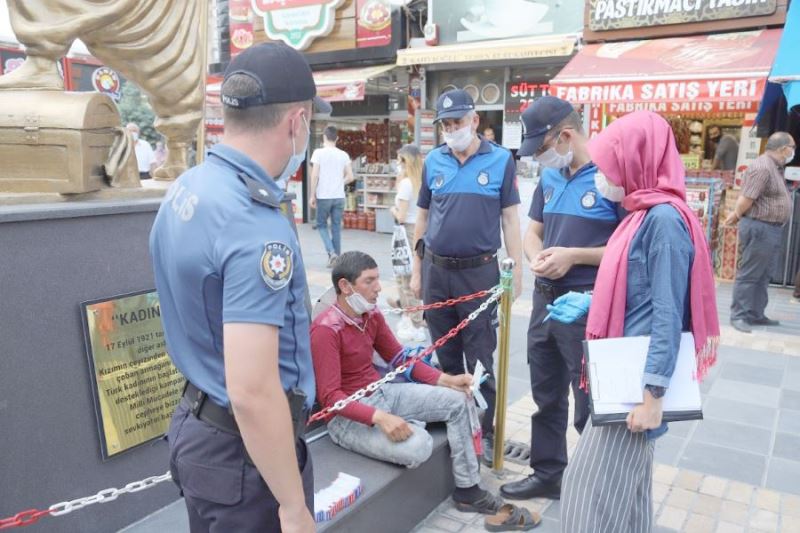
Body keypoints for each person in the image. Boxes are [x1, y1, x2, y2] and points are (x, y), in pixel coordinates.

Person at [149, 43, 332, 532]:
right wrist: (293, 506)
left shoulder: (188, 188)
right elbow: (252, 389)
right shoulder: (254, 225)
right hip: (247, 455)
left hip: (199, 426)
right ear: (296, 122)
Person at [560, 110, 720, 533]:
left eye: (610, 164)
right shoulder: (640, 214)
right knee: (625, 499)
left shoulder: (664, 221)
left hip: (635, 388)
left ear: (638, 160)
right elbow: (640, 291)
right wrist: (591, 300)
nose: (602, 174)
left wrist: (652, 396)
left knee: (586, 497)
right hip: (623, 376)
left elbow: (668, 313)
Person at [311, 251, 517, 519]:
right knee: (420, 446)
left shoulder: (370, 315)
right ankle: (409, 424)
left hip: (385, 394)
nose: (379, 287)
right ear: (345, 286)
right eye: (369, 281)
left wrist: (446, 380)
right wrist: (381, 418)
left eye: (377, 279)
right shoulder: (326, 329)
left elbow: (399, 358)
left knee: (461, 399)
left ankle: (468, 490)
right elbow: (330, 399)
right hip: (347, 420)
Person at [499, 96, 624, 501]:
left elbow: (629, 248)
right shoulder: (551, 179)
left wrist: (574, 257)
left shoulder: (612, 178)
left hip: (587, 304)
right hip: (546, 300)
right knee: (546, 392)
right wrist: (537, 260)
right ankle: (548, 473)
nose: (539, 158)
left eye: (542, 148)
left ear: (565, 135)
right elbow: (533, 233)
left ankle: (593, 483)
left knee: (588, 399)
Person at [410, 89, 523, 466]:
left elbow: (510, 218)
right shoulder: (434, 161)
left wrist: (516, 270)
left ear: (475, 121)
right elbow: (422, 218)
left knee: (480, 357)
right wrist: (416, 272)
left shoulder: (502, 160)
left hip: (480, 273)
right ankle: (454, 422)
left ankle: (484, 431)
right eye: (445, 124)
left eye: (457, 122)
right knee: (445, 353)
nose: (451, 130)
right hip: (437, 271)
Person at [725, 132, 795, 333]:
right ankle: (739, 315)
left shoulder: (775, 167)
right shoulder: (763, 167)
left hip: (770, 229)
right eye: (792, 147)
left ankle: (755, 313)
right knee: (750, 274)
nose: (793, 151)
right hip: (760, 228)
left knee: (764, 274)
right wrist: (736, 214)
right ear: (783, 149)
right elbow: (747, 198)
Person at [389, 144, 426, 341]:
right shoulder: (421, 181)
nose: (397, 164)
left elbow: (401, 215)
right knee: (414, 277)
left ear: (405, 161)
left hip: (406, 232)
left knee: (405, 279)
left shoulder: (406, 184)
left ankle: (414, 323)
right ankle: (413, 317)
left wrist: (392, 210)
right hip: (420, 231)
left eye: (399, 160)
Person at [310, 125, 355, 267]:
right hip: (339, 196)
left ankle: (332, 253)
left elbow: (315, 175)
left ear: (324, 137)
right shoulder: (343, 154)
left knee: (321, 225)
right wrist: (339, 183)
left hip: (324, 196)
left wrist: (312, 194)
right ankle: (338, 260)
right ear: (337, 138)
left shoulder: (318, 153)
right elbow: (351, 176)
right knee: (336, 227)